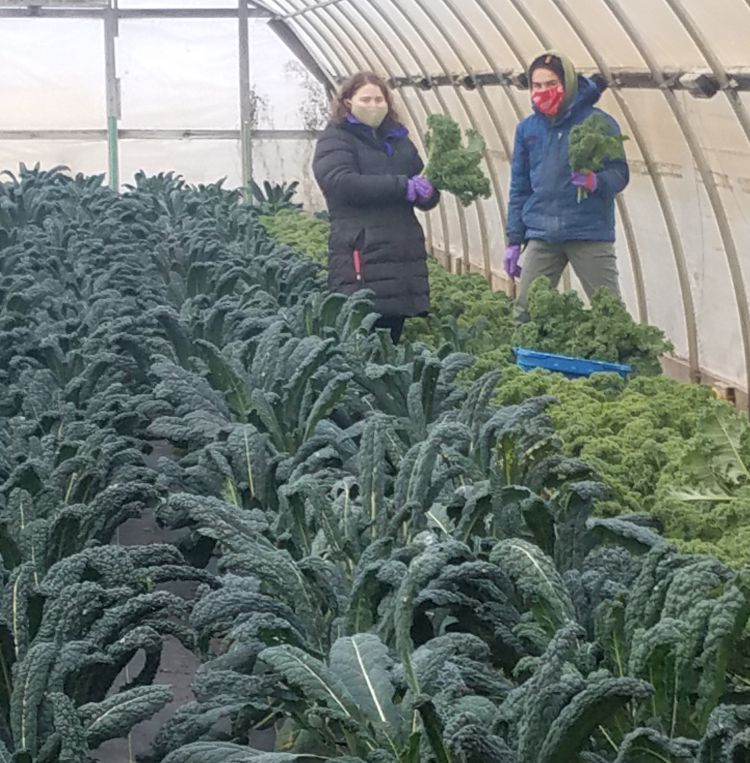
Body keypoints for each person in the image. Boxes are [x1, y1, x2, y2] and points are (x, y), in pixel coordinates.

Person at [312, 71, 440, 344]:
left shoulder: (398, 139)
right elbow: (341, 183)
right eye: (365, 99)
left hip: (402, 254)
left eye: (379, 99)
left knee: (392, 333)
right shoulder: (335, 138)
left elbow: (420, 179)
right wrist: (401, 186)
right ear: (347, 102)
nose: (373, 105)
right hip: (362, 251)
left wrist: (428, 194)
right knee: (362, 331)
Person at [504, 51, 629, 322]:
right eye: (536, 86)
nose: (543, 91)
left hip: (588, 231)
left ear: (568, 83)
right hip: (541, 232)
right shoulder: (528, 129)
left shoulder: (598, 123)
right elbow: (520, 187)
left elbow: (620, 173)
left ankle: (619, 363)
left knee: (610, 314)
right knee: (525, 311)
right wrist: (514, 240)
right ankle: (522, 363)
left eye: (551, 84)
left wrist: (596, 182)